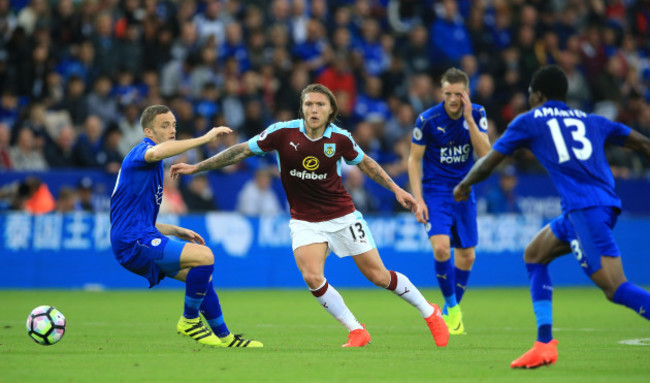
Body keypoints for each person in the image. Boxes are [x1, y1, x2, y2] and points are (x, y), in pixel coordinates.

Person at [171, 84, 449, 348]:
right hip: (305, 220)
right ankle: (356, 330)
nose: (313, 109)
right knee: (312, 276)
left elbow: (365, 163)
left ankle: (430, 312)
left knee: (378, 275)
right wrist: (197, 168)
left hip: (343, 216)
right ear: (302, 108)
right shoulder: (282, 133)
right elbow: (241, 150)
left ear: (331, 110)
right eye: (308, 104)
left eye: (320, 104)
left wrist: (396, 189)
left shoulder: (340, 138)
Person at [453, 65, 650, 368]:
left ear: (538, 95)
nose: (530, 99)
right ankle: (544, 344)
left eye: (531, 95)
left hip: (586, 210)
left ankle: (545, 344)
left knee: (616, 288)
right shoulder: (592, 120)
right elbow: (641, 143)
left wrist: (464, 184)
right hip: (591, 208)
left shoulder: (529, 121)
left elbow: (490, 162)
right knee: (534, 255)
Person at [109, 104, 262, 348]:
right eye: (165, 125)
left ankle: (226, 338)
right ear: (149, 131)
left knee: (200, 278)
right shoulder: (143, 152)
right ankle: (189, 320)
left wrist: (173, 229)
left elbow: (132, 217)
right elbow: (158, 153)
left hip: (138, 235)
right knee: (205, 256)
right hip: (133, 242)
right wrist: (204, 138)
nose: (172, 130)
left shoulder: (151, 165)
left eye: (174, 125)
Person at [407, 67, 491, 336]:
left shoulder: (477, 114)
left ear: (467, 93)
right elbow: (413, 160)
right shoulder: (427, 120)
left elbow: (486, 155)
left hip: (465, 190)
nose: (453, 99)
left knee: (467, 256)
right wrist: (418, 200)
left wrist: (469, 118)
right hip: (436, 192)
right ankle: (453, 310)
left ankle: (447, 309)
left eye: (458, 94)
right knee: (442, 249)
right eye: (448, 94)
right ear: (441, 92)